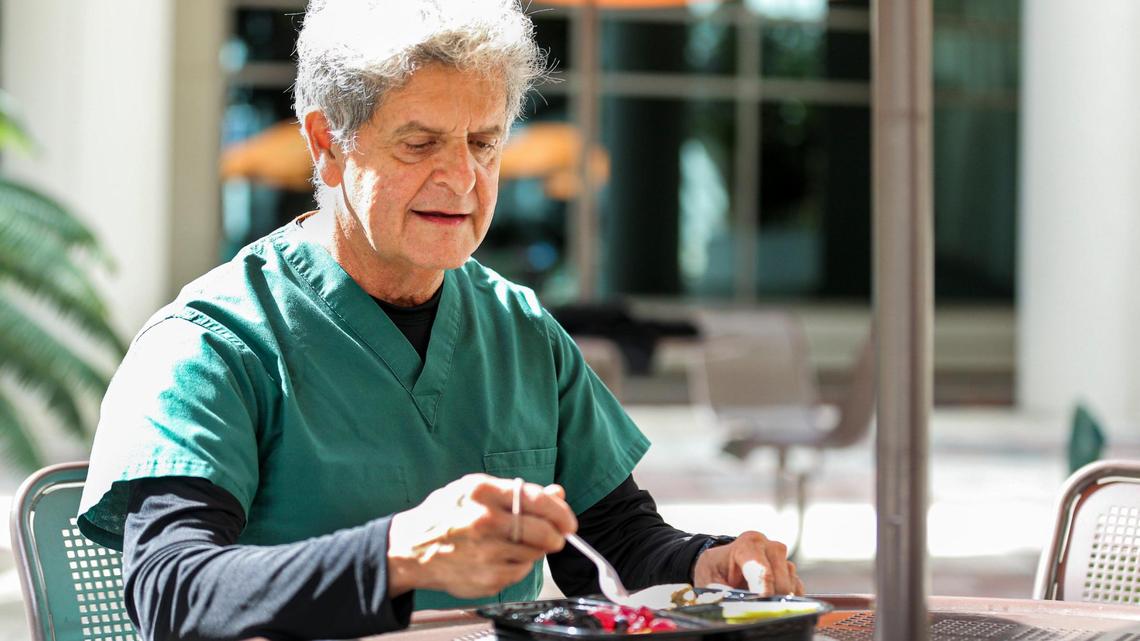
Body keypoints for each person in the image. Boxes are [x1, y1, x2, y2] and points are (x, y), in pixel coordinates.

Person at [77, 1, 804, 640]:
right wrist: (398, 555)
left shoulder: (521, 330)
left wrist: (706, 562)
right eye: (420, 143)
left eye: (484, 143)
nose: (462, 178)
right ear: (328, 146)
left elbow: (614, 540)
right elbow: (174, 593)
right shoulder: (210, 345)